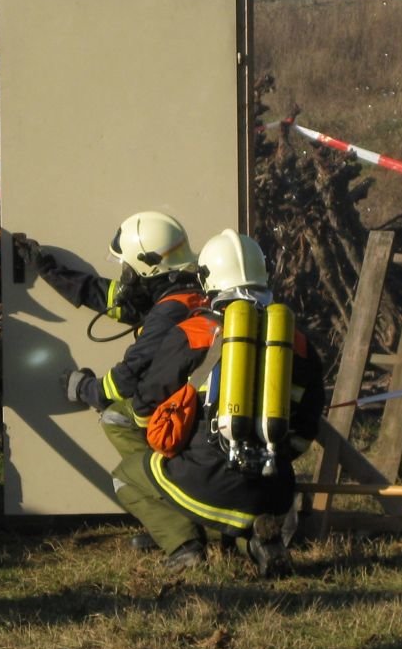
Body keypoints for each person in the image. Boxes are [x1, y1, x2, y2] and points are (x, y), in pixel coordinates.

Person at [110, 229, 326, 577]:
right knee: (232, 501)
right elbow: (306, 428)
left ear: (206, 277)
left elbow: (145, 408)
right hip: (275, 491)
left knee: (125, 477)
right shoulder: (298, 344)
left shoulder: (193, 332)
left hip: (207, 481)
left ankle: (184, 545)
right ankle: (256, 540)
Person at [22, 210, 209, 465]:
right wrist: (49, 270)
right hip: (193, 418)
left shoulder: (167, 315)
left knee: (116, 419)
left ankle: (156, 477)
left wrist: (83, 387)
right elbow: (104, 295)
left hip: (177, 426)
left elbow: (124, 382)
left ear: (144, 269)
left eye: (127, 268)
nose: (124, 275)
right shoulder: (187, 293)